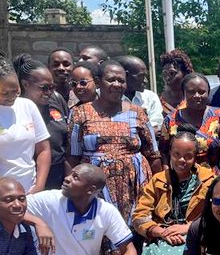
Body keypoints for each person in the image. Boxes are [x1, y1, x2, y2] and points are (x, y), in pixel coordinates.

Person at [131, 131, 216, 255]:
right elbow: (139, 216)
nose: (182, 160)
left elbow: (215, 216)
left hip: (195, 236)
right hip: (162, 236)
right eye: (176, 154)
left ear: (196, 157)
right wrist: (161, 232)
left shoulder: (209, 181)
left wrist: (188, 228)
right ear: (169, 154)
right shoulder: (157, 180)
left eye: (188, 156)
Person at [66, 59, 161, 222]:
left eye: (121, 81)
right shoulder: (80, 113)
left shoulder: (138, 113)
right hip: (95, 189)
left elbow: (153, 155)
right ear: (97, 82)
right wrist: (72, 193)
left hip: (136, 188)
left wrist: (158, 192)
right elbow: (73, 157)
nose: (117, 84)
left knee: (136, 234)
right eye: (111, 79)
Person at [0, 50, 51, 194]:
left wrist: (39, 186)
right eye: (4, 93)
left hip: (32, 190)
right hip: (0, 194)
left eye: (15, 90)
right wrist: (6, 194)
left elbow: (44, 149)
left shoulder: (28, 106)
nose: (11, 96)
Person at [160, 73, 220, 171]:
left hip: (212, 180)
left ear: (208, 93)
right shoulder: (170, 120)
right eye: (191, 92)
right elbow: (164, 151)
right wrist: (167, 175)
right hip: (179, 179)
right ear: (184, 93)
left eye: (201, 92)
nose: (197, 96)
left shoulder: (219, 116)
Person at [15, 54, 69, 190]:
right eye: (44, 88)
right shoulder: (15, 109)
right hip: (30, 176)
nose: (49, 92)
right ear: (25, 84)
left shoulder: (56, 100)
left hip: (59, 175)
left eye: (52, 87)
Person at [119, 55, 163, 126]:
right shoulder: (104, 96)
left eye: (146, 76)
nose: (146, 81)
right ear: (125, 75)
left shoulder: (150, 97)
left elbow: (156, 126)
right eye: (141, 76)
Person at [159, 48, 194, 120]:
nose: (167, 78)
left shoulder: (194, 100)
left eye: (172, 73)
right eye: (165, 74)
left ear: (185, 74)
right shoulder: (157, 103)